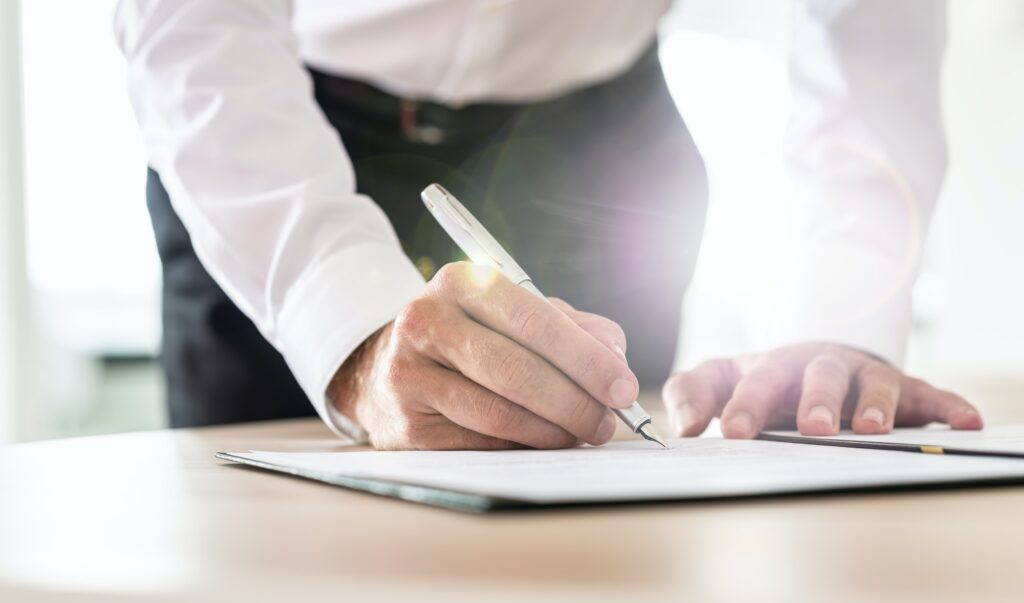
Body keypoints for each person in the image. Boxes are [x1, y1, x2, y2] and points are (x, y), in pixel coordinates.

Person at [114, 0, 982, 450]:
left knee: (593, 568)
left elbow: (871, 24)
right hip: (283, 138)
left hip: (597, 143)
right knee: (272, 584)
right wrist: (345, 327)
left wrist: (833, 317)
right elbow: (196, 21)